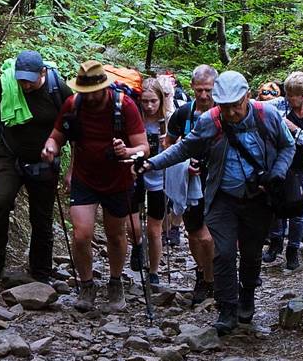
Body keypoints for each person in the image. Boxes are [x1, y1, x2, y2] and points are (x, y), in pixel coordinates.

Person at [140, 71, 295, 335]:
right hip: (222, 197)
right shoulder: (209, 120)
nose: (232, 112)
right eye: (225, 106)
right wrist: (151, 163)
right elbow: (184, 148)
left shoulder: (266, 116)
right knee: (222, 252)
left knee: (250, 252)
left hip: (259, 197)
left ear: (246, 97)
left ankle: (247, 294)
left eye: (236, 105)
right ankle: (227, 307)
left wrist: (277, 173)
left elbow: (287, 146)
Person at [41, 60, 149, 312]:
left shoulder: (125, 106)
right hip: (84, 177)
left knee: (115, 234)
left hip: (118, 178)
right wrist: (50, 148)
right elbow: (56, 136)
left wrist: (127, 150)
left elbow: (143, 147)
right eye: (83, 91)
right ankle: (87, 285)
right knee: (81, 234)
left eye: (91, 92)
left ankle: (115, 282)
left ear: (104, 88)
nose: (87, 97)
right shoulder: (73, 104)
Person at [0, 50, 73, 281]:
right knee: (1, 201)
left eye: (30, 80)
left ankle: (40, 271)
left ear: (43, 73)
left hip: (44, 162)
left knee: (41, 216)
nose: (25, 85)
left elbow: (75, 130)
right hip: (9, 155)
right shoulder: (7, 85)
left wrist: (71, 171)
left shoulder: (59, 90)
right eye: (21, 80)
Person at [163, 64, 218, 304]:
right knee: (195, 235)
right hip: (190, 182)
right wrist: (183, 165)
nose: (204, 96)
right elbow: (169, 144)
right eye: (199, 91)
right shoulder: (183, 114)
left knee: (211, 237)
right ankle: (203, 275)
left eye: (208, 90)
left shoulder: (226, 112)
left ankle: (215, 276)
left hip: (221, 182)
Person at [262, 72, 303, 270]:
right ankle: (276, 243)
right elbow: (257, 108)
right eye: (287, 93)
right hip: (281, 165)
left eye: (292, 94)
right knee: (276, 205)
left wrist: (294, 130)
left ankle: (293, 251)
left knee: (298, 210)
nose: (288, 97)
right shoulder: (279, 105)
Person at [127, 77, 170, 284]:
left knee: (155, 229)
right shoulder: (133, 118)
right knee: (132, 226)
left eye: (153, 101)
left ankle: (153, 272)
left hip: (158, 179)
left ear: (161, 100)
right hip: (135, 175)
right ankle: (137, 245)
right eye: (145, 101)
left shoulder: (168, 121)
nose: (150, 106)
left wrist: (169, 143)